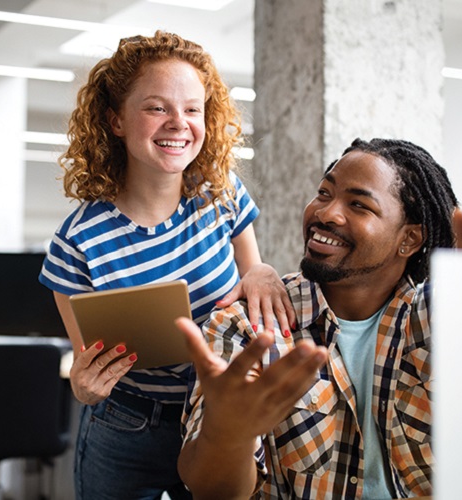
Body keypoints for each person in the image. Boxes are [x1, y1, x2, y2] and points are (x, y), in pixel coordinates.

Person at [39, 31, 292, 499]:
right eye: (157, 107)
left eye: (192, 109)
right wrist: (85, 386)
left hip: (216, 417)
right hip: (126, 424)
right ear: (115, 121)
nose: (179, 123)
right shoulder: (78, 241)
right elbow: (85, 364)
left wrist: (260, 271)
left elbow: (253, 272)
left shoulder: (221, 194)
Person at [179, 138, 458, 499]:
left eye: (358, 204)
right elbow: (211, 489)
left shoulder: (443, 322)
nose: (326, 213)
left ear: (409, 239)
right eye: (324, 193)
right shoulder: (246, 328)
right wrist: (228, 433)